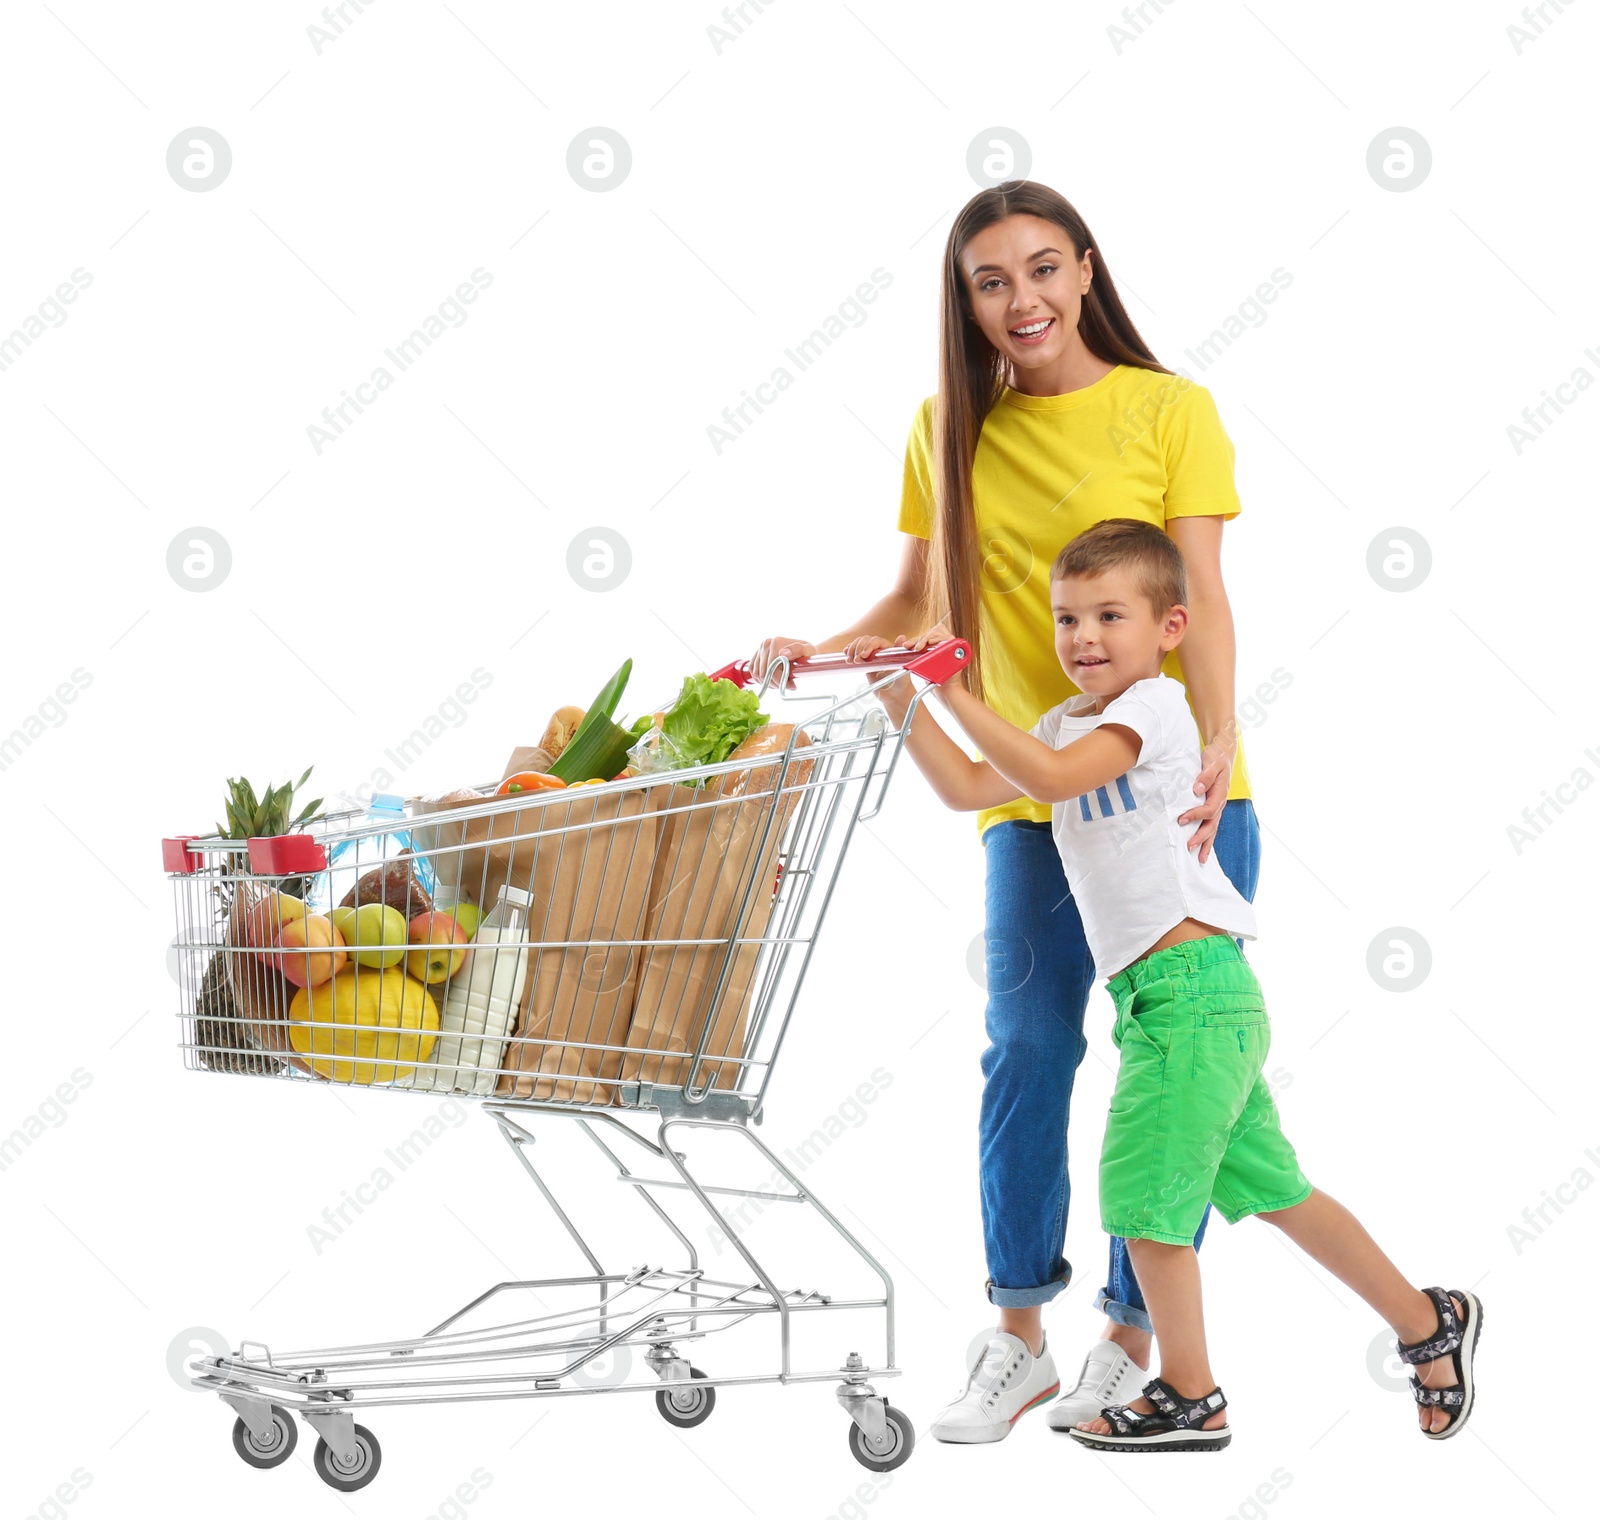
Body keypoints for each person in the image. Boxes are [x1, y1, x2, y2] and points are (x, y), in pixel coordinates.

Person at [751, 179, 1260, 1440]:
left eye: (1042, 268)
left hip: (1164, 795)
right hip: (1024, 796)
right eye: (991, 280)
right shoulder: (948, 426)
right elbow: (914, 605)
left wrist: (1223, 734)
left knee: (1169, 1072)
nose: (1020, 298)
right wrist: (806, 654)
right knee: (1027, 1049)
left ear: (1085, 271)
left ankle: (1128, 1341)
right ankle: (1018, 1332)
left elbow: (1200, 587)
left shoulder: (1170, 408)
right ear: (966, 301)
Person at [860, 517, 1483, 1449]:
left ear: (1169, 629)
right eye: (1067, 619)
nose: (1085, 639)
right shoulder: (1059, 720)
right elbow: (968, 786)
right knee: (1279, 1193)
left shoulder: (1153, 711)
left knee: (1144, 1203)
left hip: (1191, 995)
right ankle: (1429, 1322)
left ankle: (1192, 1395)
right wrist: (892, 689)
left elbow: (1057, 776)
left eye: (1111, 616)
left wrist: (950, 687)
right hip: (1180, 1003)